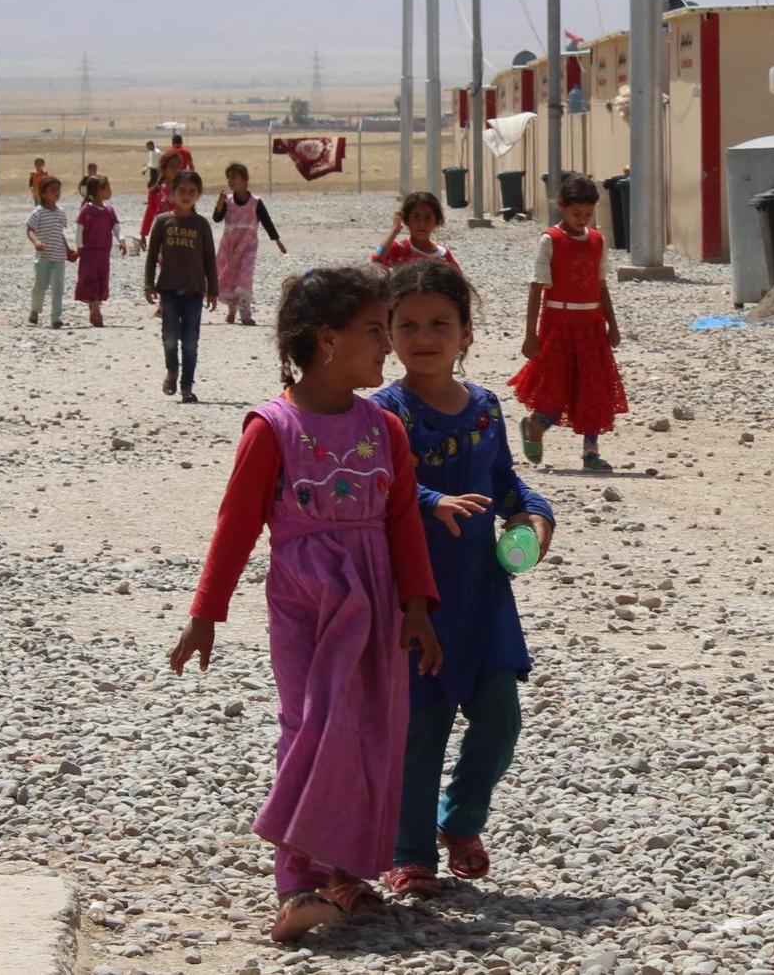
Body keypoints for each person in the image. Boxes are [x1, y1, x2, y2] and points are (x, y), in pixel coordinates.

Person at [169, 265, 443, 944]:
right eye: (374, 332)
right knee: (313, 727)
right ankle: (294, 885)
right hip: (305, 606)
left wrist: (416, 606)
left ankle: (346, 875)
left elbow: (402, 520)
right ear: (326, 340)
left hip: (375, 604)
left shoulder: (384, 429)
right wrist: (206, 614)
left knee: (371, 729)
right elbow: (234, 526)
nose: (387, 348)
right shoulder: (272, 427)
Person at [372, 259, 552, 896]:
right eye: (409, 324)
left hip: (482, 595)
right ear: (388, 333)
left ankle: (462, 819)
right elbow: (386, 485)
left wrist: (534, 514)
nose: (425, 336)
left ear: (466, 333)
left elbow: (503, 482)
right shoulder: (385, 413)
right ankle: (411, 850)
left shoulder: (484, 408)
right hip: (417, 594)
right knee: (422, 727)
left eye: (440, 323)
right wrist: (431, 502)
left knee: (501, 716)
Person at [510, 173, 626, 473]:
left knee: (594, 387)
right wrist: (530, 334)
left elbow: (601, 286)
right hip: (559, 324)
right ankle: (536, 426)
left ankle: (591, 453)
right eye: (577, 213)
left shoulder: (597, 241)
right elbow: (537, 288)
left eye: (588, 214)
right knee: (557, 385)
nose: (582, 220)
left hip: (591, 324)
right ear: (561, 207)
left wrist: (612, 325)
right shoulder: (551, 241)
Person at [143, 169, 216, 401]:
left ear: (199, 194)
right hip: (169, 290)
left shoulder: (202, 225)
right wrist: (148, 284)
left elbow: (209, 259)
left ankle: (187, 386)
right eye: (181, 191)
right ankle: (172, 371)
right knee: (170, 336)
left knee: (191, 341)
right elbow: (152, 254)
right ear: (172, 193)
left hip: (194, 291)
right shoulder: (163, 221)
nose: (186, 195)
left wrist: (213, 290)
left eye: (191, 191)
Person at [213, 162, 286, 326]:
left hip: (247, 247)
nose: (231, 181)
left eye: (235, 177)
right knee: (229, 277)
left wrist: (277, 240)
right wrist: (219, 204)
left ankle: (245, 313)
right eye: (229, 178)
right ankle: (231, 309)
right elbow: (217, 218)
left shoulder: (256, 202)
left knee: (245, 277)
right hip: (229, 246)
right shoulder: (228, 201)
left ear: (245, 180)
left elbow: (267, 222)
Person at [25, 175, 77, 328]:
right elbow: (30, 230)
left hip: (59, 257)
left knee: (58, 289)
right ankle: (35, 310)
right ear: (43, 193)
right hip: (43, 257)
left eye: (58, 190)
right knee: (40, 286)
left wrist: (68, 251)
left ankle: (56, 318)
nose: (57, 193)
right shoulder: (38, 212)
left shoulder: (60, 212)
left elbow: (61, 233)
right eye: (53, 190)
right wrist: (36, 242)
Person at [75, 173, 120, 328]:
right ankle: (96, 308)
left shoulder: (109, 210)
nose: (110, 191)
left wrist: (122, 240)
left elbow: (115, 226)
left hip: (103, 252)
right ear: (99, 190)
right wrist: (79, 246)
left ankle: (95, 306)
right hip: (89, 252)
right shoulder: (87, 210)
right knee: (90, 279)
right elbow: (80, 229)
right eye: (108, 187)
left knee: (101, 278)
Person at [373, 191, 458, 270]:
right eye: (416, 217)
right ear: (406, 220)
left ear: (436, 221)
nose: (422, 223)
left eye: (427, 218)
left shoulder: (443, 256)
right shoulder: (397, 249)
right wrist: (394, 231)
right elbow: (376, 259)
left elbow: (459, 283)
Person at [139, 150, 182, 246]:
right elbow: (149, 213)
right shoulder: (156, 192)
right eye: (172, 166)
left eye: (178, 166)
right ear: (164, 169)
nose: (176, 170)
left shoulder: (184, 190)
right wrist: (143, 234)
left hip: (182, 236)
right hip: (163, 237)